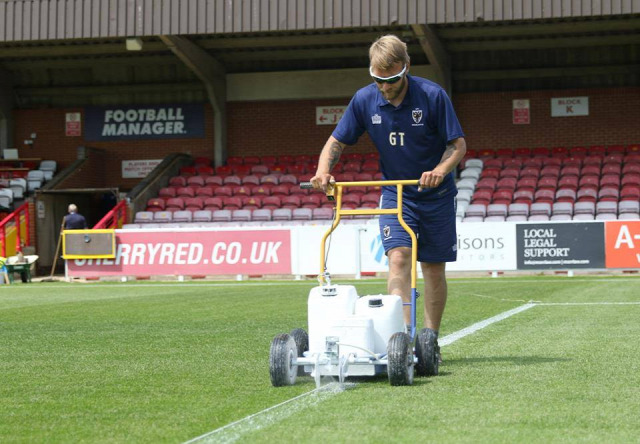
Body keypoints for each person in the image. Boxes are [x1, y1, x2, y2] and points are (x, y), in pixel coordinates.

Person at [310, 34, 467, 373]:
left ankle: (429, 339)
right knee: (398, 258)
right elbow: (336, 141)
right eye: (378, 80)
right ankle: (402, 339)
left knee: (433, 267)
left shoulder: (432, 96)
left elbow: (458, 146)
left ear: (405, 69)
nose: (385, 87)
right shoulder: (364, 100)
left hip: (436, 196)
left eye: (392, 80)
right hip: (396, 193)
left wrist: (439, 171)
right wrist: (324, 171)